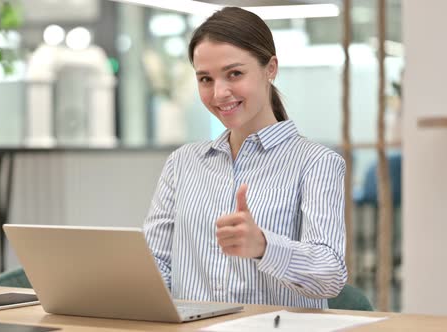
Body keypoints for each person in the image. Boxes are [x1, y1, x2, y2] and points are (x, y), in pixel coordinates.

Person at [143, 7, 347, 308]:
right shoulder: (182, 163)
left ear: (270, 68)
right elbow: (156, 263)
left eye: (234, 73)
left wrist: (264, 246)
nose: (219, 93)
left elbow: (330, 276)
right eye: (205, 79)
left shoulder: (316, 162)